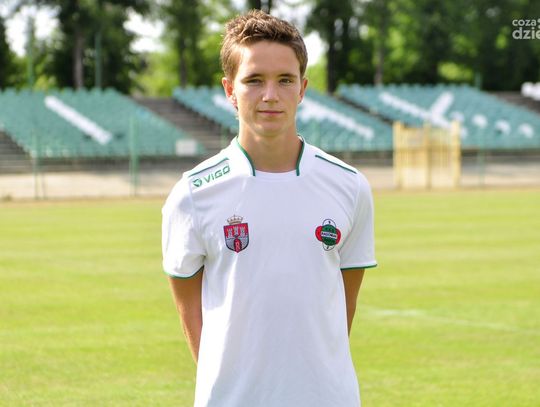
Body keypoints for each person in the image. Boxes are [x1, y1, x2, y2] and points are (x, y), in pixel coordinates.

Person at [162, 9, 377, 407]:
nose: (270, 95)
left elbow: (343, 306)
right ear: (230, 89)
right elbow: (189, 309)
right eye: (254, 80)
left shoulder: (349, 186)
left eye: (285, 80)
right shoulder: (192, 194)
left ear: (303, 88)